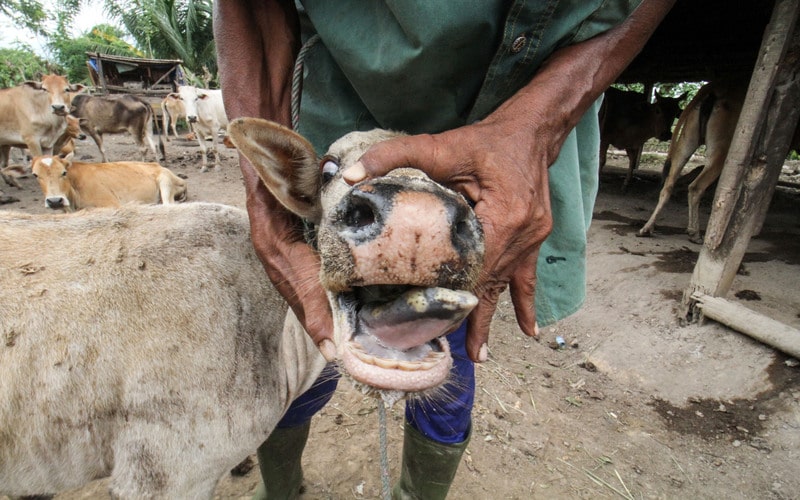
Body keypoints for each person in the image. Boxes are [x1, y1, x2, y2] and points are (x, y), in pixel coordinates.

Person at [214, 1, 675, 498]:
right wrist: (268, 205)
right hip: (344, 104)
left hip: (516, 130)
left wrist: (540, 126)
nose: (412, 226)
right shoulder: (305, 182)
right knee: (304, 334)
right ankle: (281, 489)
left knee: (448, 325)